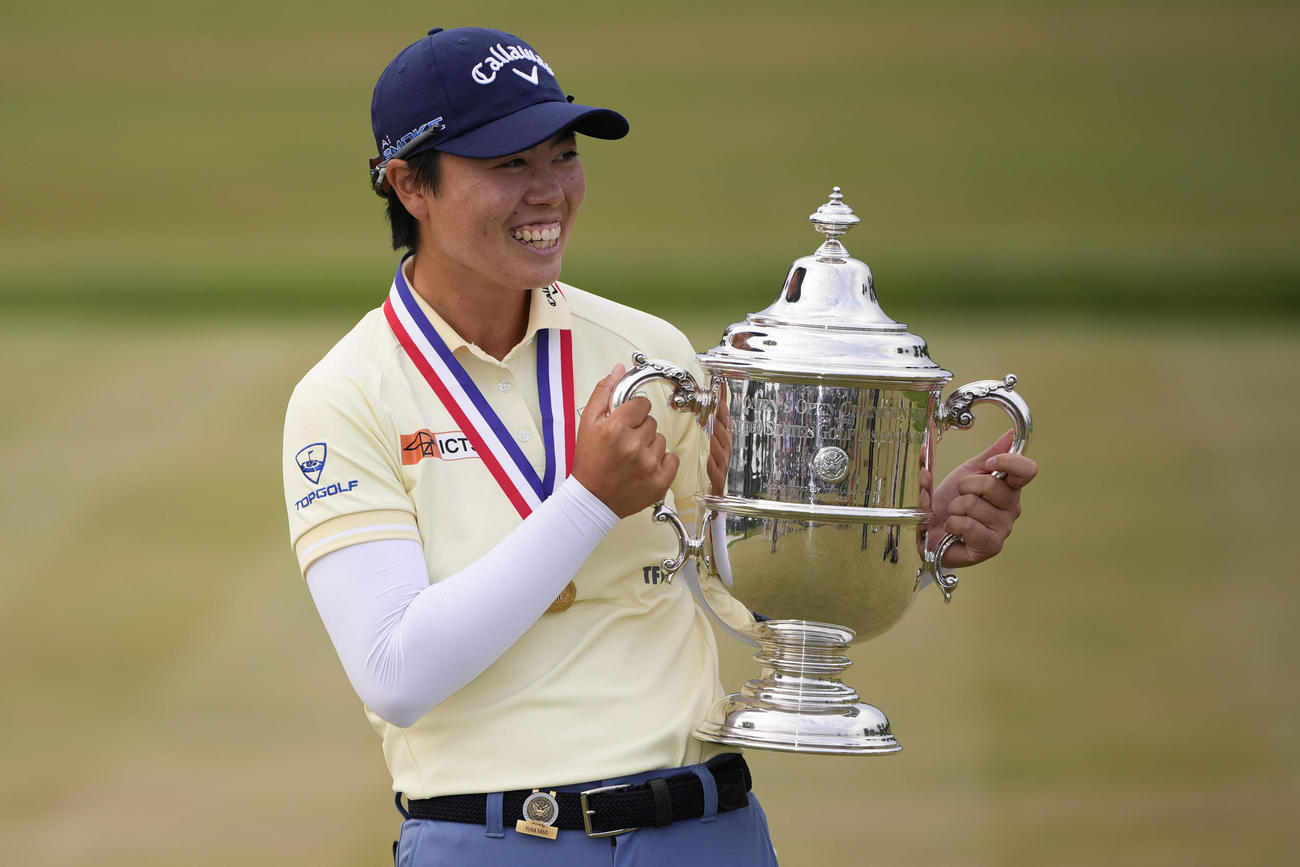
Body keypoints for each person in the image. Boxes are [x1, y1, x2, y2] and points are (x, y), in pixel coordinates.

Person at [281, 26, 1038, 866]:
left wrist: (890, 537)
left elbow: (737, 583)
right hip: (495, 838)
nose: (549, 193)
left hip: (707, 827)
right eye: (508, 165)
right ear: (408, 184)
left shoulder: (649, 352)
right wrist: (587, 499)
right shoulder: (345, 395)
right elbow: (395, 670)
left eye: (562, 157)